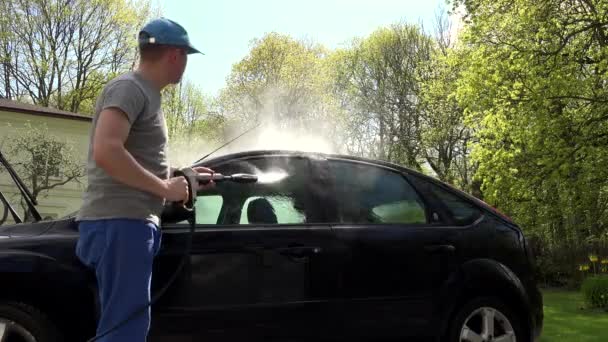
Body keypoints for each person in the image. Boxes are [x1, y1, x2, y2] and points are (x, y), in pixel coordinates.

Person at [75, 17, 212, 341]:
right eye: (186, 58)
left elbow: (135, 157)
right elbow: (107, 150)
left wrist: (184, 177)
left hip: (126, 225)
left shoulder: (146, 94)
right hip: (120, 224)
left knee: (122, 326)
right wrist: (165, 188)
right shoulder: (129, 88)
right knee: (126, 331)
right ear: (176, 55)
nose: (185, 66)